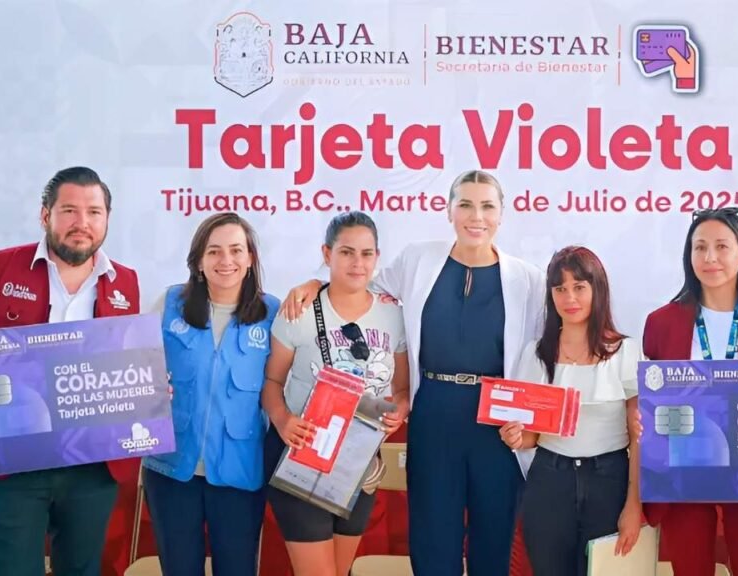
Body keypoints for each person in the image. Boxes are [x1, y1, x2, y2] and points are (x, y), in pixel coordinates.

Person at [282, 171, 545, 576]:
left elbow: (543, 356)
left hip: (496, 423)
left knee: (493, 539)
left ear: (502, 214)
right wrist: (315, 281)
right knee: (432, 537)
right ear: (449, 210)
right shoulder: (418, 260)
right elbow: (360, 285)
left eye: (487, 206)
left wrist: (531, 424)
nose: (476, 216)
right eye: (465, 205)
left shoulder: (528, 279)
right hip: (434, 414)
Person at [0, 167, 141, 576]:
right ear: (45, 215)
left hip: (92, 465)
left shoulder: (125, 282)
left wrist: (149, 390)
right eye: (69, 210)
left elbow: (127, 363)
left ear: (107, 218)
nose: (82, 223)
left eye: (94, 212)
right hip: (9, 462)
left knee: (82, 570)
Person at [641, 207, 738, 576]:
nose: (709, 257)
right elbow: (653, 401)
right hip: (684, 475)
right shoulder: (661, 323)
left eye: (722, 246)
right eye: (700, 247)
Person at [261, 211, 409, 576]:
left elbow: (403, 389)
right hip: (302, 454)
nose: (357, 263)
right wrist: (282, 420)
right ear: (327, 254)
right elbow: (271, 383)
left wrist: (400, 409)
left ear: (377, 257)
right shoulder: (299, 310)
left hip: (357, 462)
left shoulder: (394, 315)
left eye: (366, 253)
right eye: (346, 252)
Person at [141, 212, 278, 576]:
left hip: (240, 473)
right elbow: (132, 369)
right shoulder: (169, 303)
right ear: (198, 261)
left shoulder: (273, 314)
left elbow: (282, 386)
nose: (226, 260)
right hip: (171, 470)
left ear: (250, 258)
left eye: (236, 250)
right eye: (214, 251)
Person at [498, 246, 642, 576]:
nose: (569, 298)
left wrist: (634, 504)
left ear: (597, 290)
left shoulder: (625, 351)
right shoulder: (536, 354)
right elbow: (531, 436)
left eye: (579, 287)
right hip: (550, 481)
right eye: (560, 288)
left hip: (610, 481)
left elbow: (639, 437)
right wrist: (515, 438)